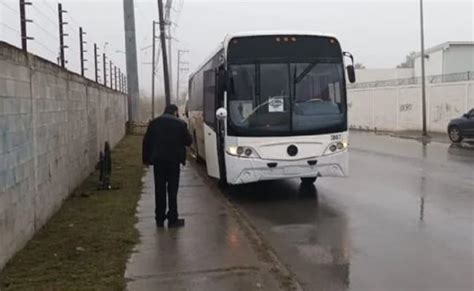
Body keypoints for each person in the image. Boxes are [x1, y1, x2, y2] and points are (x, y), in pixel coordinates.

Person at [142, 104, 192, 228]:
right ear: (175, 112)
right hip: (173, 162)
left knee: (159, 190)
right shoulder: (180, 124)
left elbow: (147, 142)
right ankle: (172, 219)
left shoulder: (154, 123)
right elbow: (188, 141)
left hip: (159, 161)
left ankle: (159, 219)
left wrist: (146, 160)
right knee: (172, 191)